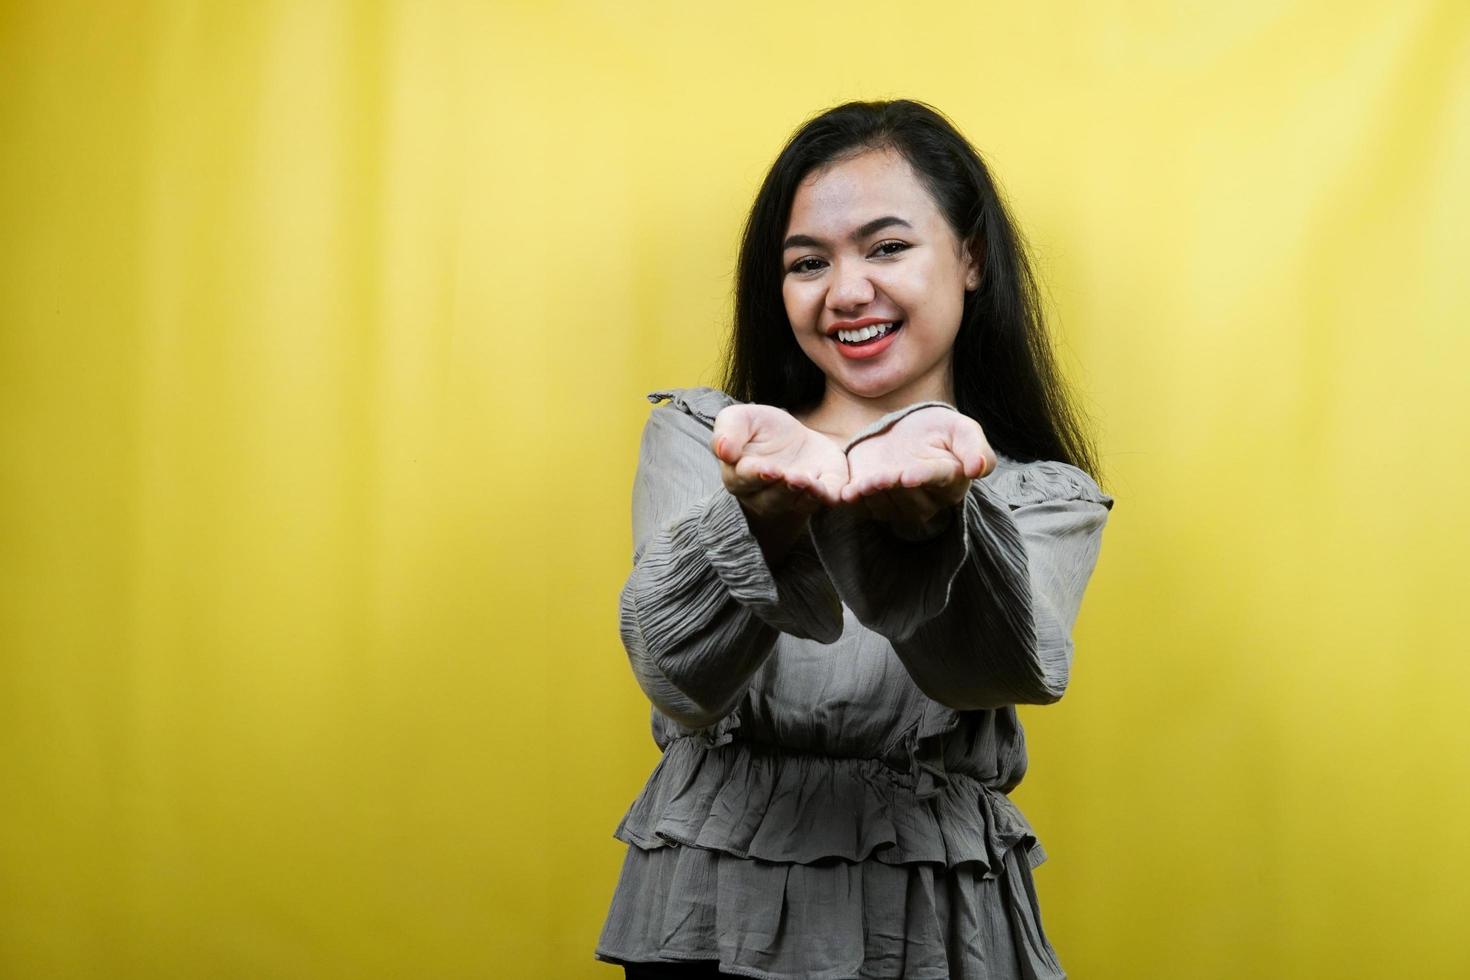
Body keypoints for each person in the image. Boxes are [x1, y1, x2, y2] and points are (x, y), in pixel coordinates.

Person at [594, 99, 1114, 980]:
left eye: (886, 247)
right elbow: (675, 676)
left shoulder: (1036, 496)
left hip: (932, 919)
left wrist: (936, 519)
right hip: (708, 915)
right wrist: (762, 513)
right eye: (808, 262)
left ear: (972, 258)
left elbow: (992, 670)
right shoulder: (705, 439)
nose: (846, 292)